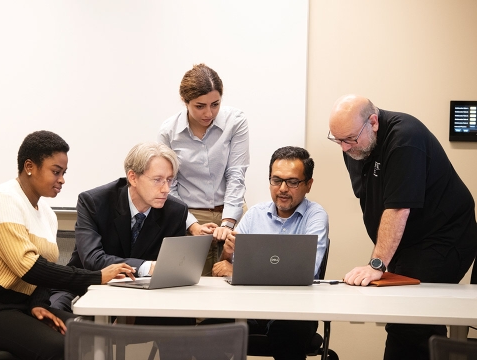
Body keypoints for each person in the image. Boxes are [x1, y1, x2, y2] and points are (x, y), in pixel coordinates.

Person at [0, 131, 135, 360]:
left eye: (64, 173)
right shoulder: (3, 200)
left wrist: (37, 304)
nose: (62, 179)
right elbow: (29, 268)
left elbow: (42, 273)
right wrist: (96, 276)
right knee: (58, 347)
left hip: (13, 306)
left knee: (88, 334)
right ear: (29, 166)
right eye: (56, 171)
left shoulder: (48, 215)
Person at [328, 94, 477, 360]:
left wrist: (377, 264)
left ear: (373, 122)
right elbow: (372, 200)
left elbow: (397, 208)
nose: (344, 147)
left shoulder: (405, 137)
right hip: (410, 241)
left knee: (413, 319)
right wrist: (385, 259)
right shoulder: (356, 145)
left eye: (349, 138)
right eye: (337, 140)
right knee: (401, 316)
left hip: (445, 236)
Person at [50, 142, 191, 326]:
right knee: (54, 312)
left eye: (169, 180)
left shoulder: (176, 211)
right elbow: (93, 259)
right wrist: (146, 267)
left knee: (182, 320)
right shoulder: (94, 202)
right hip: (89, 285)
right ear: (133, 177)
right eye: (157, 180)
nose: (165, 189)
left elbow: (174, 268)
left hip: (145, 294)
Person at [211, 146, 329, 360]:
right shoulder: (254, 214)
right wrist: (227, 256)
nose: (282, 188)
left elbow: (306, 273)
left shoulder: (315, 216)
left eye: (292, 182)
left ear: (308, 185)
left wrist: (238, 270)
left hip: (295, 310)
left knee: (286, 331)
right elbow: (223, 269)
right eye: (276, 180)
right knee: (207, 328)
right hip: (250, 307)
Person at [158, 63, 250, 276]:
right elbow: (169, 185)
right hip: (188, 213)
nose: (209, 113)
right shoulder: (168, 132)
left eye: (215, 104)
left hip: (232, 211)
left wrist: (228, 222)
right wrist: (191, 224)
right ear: (185, 101)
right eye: (200, 106)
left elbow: (236, 174)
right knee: (193, 284)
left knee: (236, 281)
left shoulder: (235, 122)